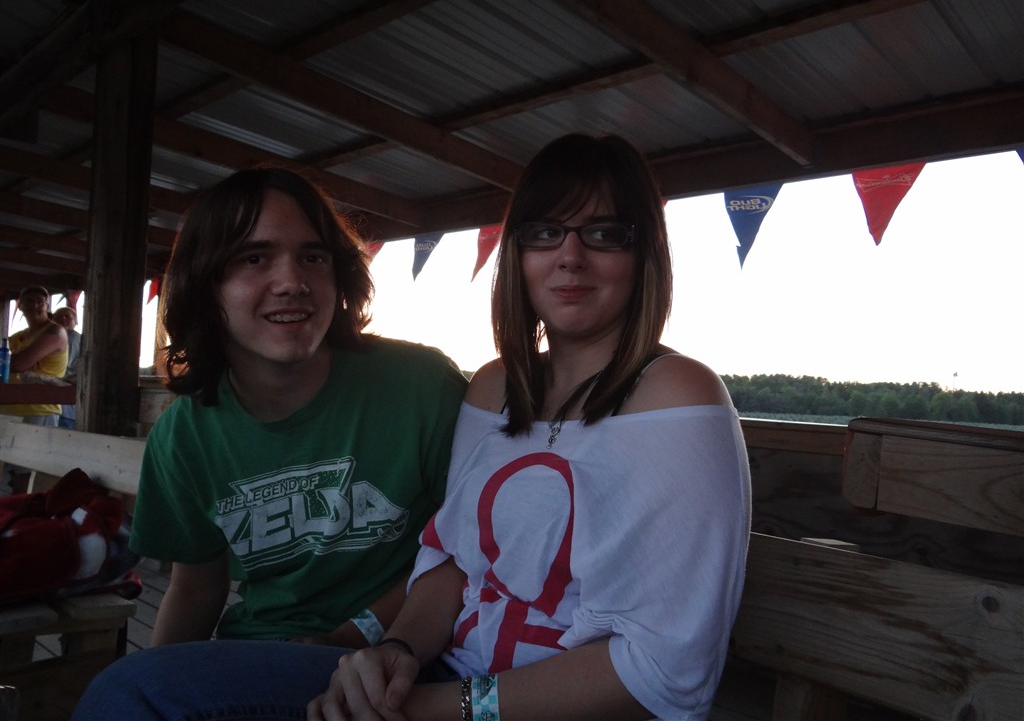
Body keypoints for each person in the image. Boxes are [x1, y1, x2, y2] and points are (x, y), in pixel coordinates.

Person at [73, 135, 750, 721]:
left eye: (605, 233)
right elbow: (452, 559)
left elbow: (667, 670)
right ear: (516, 253)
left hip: (479, 701)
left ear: (644, 253)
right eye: (544, 232)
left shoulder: (677, 394)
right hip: (429, 677)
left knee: (134, 695)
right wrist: (394, 649)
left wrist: (426, 703)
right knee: (135, 693)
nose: (570, 255)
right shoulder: (495, 388)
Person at [85, 167, 466, 651]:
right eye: (254, 258)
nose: (292, 282)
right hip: (261, 647)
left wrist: (351, 636)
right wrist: (156, 675)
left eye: (313, 257)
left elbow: (470, 546)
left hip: (413, 648)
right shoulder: (183, 436)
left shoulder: (421, 386)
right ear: (206, 285)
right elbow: (197, 587)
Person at [0, 285, 68, 426]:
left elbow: (19, 364)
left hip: (40, 409)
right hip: (10, 406)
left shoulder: (56, 331)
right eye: (29, 301)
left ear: (47, 306)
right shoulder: (17, 337)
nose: (35, 305)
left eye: (40, 302)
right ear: (20, 306)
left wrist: (11, 362)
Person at [52, 306, 81, 429]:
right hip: (67, 406)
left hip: (65, 402)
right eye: (59, 317)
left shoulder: (72, 337)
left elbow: (64, 367)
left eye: (68, 317)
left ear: (76, 321)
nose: (63, 319)